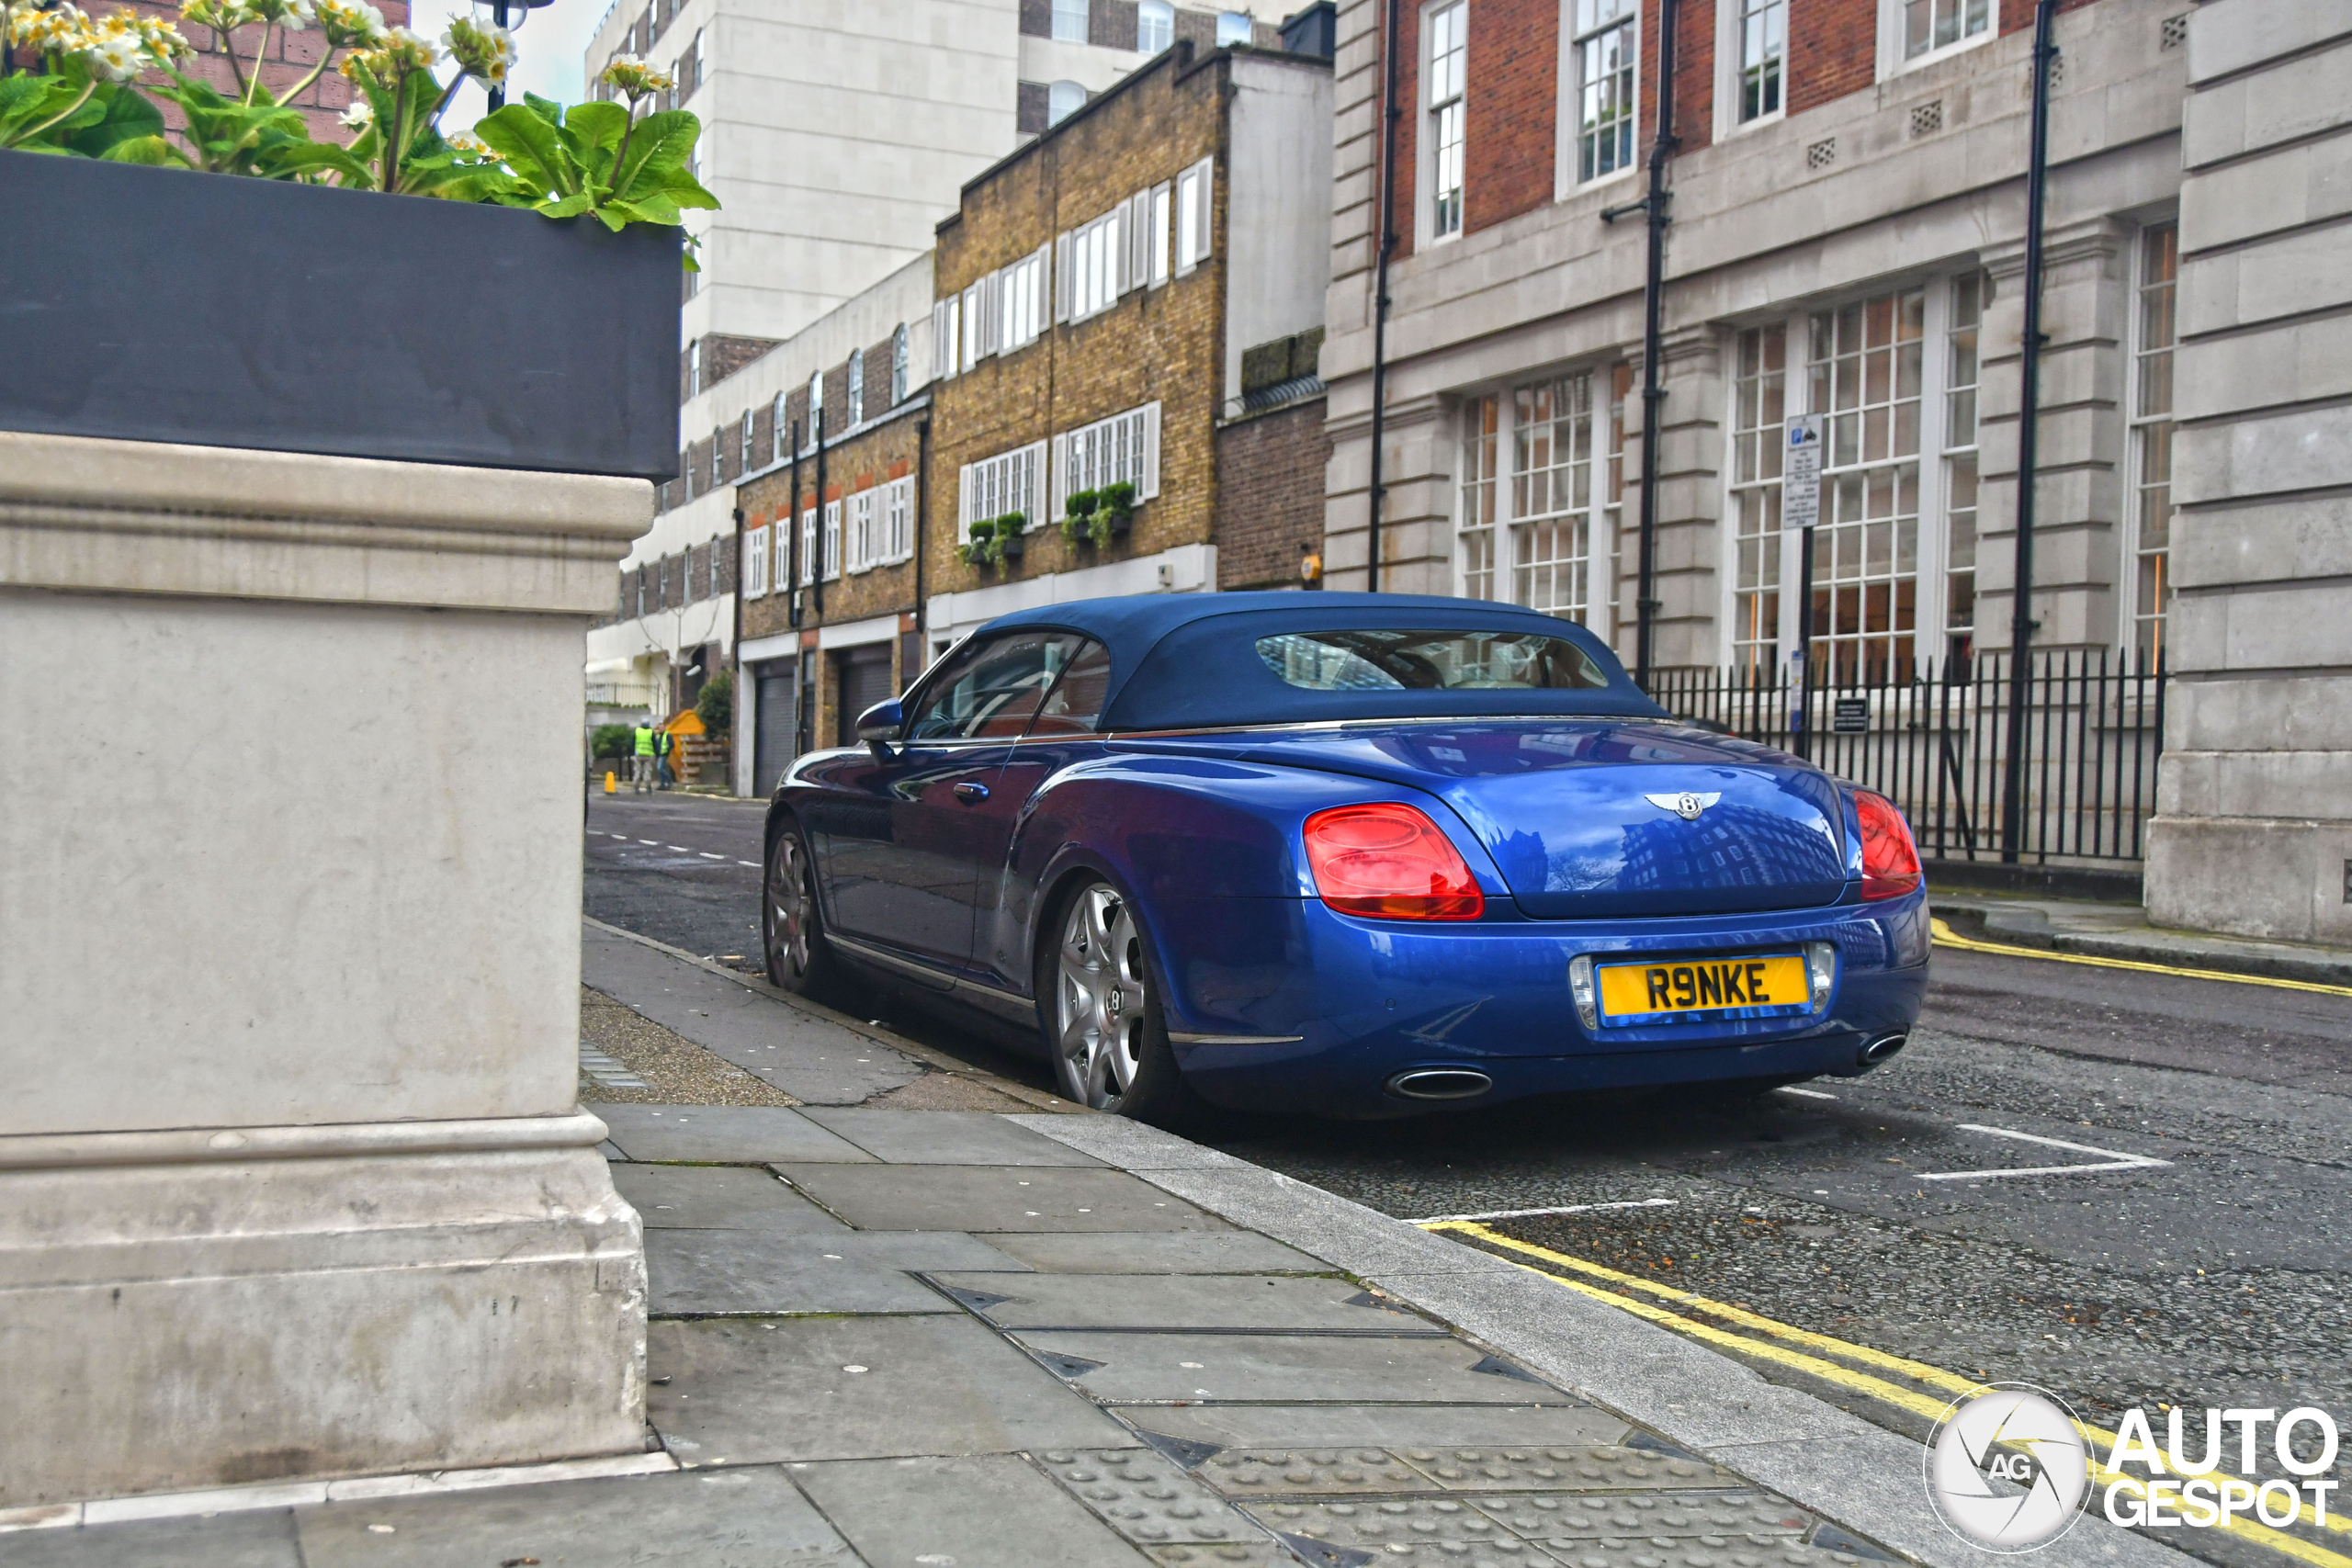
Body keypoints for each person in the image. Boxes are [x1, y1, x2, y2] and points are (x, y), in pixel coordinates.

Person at [631, 719, 655, 793]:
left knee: (638, 771)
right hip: (648, 755)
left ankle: (636, 787)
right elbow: (655, 744)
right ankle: (648, 786)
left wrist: (632, 752)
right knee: (647, 771)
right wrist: (657, 753)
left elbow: (632, 743)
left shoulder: (637, 731)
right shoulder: (651, 732)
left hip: (638, 754)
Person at [655, 724, 674, 790]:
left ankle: (669, 780)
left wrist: (667, 749)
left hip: (664, 754)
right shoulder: (658, 736)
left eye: (662, 727)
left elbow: (672, 744)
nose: (661, 729)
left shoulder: (667, 735)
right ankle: (662, 784)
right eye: (660, 728)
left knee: (660, 768)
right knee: (661, 769)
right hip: (659, 754)